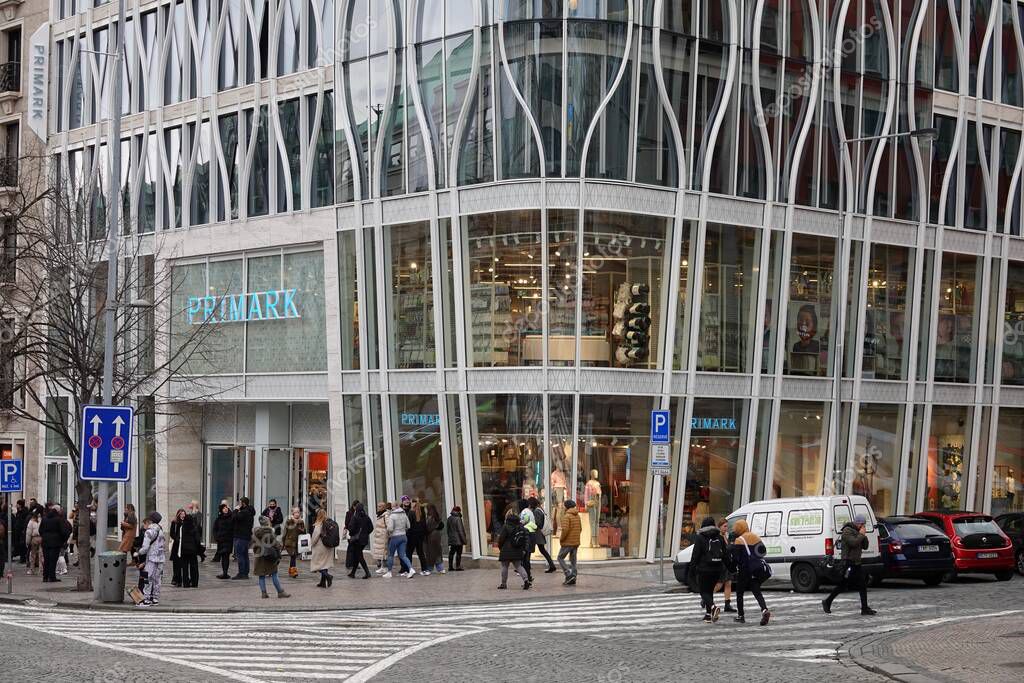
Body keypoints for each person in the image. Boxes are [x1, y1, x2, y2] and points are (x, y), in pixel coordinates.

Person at [822, 515, 876, 616]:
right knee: (843, 585)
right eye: (862, 524)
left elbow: (865, 546)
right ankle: (827, 601)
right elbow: (853, 543)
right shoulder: (847, 531)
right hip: (848, 563)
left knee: (862, 585)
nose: (862, 526)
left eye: (864, 525)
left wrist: (864, 536)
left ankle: (864, 608)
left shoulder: (859, 532)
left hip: (857, 563)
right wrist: (861, 535)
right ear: (857, 523)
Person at [689, 516, 733, 623]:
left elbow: (695, 555)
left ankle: (713, 607)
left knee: (703, 591)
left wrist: (691, 569)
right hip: (717, 569)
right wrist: (731, 568)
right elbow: (726, 555)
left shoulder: (700, 538)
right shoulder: (720, 537)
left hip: (704, 569)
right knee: (709, 591)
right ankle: (708, 615)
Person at [730, 519, 772, 626]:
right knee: (756, 591)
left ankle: (741, 616)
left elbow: (736, 558)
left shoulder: (739, 540)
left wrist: (732, 568)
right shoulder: (755, 537)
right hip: (756, 570)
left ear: (739, 528)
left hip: (744, 570)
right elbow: (763, 552)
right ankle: (764, 609)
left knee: (739, 593)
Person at [252, 516, 290, 599]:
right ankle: (280, 592)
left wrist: (257, 552)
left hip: (259, 556)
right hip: (270, 556)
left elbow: (253, 545)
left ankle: (264, 593)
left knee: (261, 575)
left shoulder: (256, 533)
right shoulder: (269, 532)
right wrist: (279, 550)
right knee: (274, 573)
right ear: (268, 523)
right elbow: (275, 544)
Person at [496, 511, 531, 590]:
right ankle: (526, 580)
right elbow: (524, 539)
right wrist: (524, 549)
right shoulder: (520, 527)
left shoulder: (506, 526)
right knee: (519, 566)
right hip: (517, 549)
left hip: (506, 549)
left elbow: (501, 538)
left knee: (504, 566)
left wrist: (500, 547)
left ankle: (503, 584)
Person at [137, 512, 166, 607]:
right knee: (157, 579)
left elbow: (145, 548)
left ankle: (146, 599)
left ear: (151, 520)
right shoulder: (161, 530)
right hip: (161, 558)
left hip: (151, 558)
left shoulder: (149, 531)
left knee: (147, 577)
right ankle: (155, 598)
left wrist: (138, 552)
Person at [384, 499, 413, 578]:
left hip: (395, 537)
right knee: (403, 555)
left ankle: (389, 572)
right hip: (403, 536)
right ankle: (411, 569)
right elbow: (408, 526)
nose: (391, 508)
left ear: (395, 506)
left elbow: (390, 528)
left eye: (392, 506)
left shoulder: (392, 516)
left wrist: (389, 530)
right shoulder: (404, 514)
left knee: (390, 555)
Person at [529, 497, 557, 573]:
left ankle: (526, 566)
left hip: (537, 534)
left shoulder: (536, 511)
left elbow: (537, 523)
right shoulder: (540, 510)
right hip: (538, 534)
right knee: (542, 550)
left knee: (529, 550)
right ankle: (552, 566)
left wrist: (530, 524)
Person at [345, 503, 373, 579]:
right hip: (364, 540)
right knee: (357, 555)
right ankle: (353, 573)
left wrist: (352, 534)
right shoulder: (366, 517)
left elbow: (351, 528)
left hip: (356, 540)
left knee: (359, 556)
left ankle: (367, 572)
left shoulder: (355, 517)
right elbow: (371, 528)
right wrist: (365, 533)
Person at [39, 507, 67, 583]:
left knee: (46, 559)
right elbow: (63, 531)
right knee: (53, 560)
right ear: (57, 511)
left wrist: (44, 536)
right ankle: (52, 577)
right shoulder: (58, 519)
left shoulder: (44, 519)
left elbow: (40, 530)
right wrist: (63, 540)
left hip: (45, 542)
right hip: (55, 542)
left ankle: (45, 577)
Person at [558, 499, 582, 585]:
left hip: (568, 542)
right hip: (576, 542)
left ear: (566, 507)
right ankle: (573, 576)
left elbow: (565, 530)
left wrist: (561, 539)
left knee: (560, 557)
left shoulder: (567, 516)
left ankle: (568, 574)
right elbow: (580, 529)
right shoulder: (577, 516)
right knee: (573, 560)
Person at [231, 497, 256, 579]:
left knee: (240, 555)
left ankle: (241, 573)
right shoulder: (249, 511)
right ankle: (245, 573)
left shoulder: (244, 512)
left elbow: (234, 517)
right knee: (245, 555)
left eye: (240, 502)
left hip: (241, 536)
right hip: (246, 536)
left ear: (243, 503)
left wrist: (235, 510)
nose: (239, 504)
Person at [310, 508, 336, 587]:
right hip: (328, 547)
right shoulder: (329, 522)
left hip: (320, 547)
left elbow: (315, 537)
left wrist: (311, 544)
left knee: (317, 565)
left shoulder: (319, 524)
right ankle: (323, 582)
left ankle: (328, 576)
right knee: (325, 564)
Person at [715, 519, 735, 613]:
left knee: (728, 583)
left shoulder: (726, 536)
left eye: (727, 526)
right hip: (722, 563)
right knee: (719, 584)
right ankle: (706, 598)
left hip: (728, 562)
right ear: (719, 527)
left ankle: (727, 604)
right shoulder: (718, 537)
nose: (726, 528)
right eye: (724, 526)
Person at [405, 499, 429, 574]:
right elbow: (425, 525)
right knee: (421, 553)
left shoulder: (411, 513)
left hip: (412, 536)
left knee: (409, 553)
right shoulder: (422, 513)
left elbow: (409, 525)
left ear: (413, 504)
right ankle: (424, 569)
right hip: (420, 536)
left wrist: (407, 534)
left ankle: (409, 569)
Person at [282, 506, 306, 578]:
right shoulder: (289, 521)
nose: (297, 514)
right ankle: (293, 572)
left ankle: (291, 571)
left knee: (294, 556)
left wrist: (300, 527)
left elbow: (304, 532)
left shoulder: (301, 522)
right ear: (292, 513)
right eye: (295, 512)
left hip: (297, 542)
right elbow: (285, 532)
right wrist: (283, 543)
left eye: (298, 512)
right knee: (293, 556)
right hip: (290, 542)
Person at [212, 503, 234, 579]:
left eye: (226, 507)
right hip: (221, 541)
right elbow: (215, 529)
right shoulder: (218, 519)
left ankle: (225, 573)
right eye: (224, 508)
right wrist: (216, 537)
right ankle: (224, 572)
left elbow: (234, 528)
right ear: (221, 510)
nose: (225, 509)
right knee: (223, 556)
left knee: (226, 556)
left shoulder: (231, 517)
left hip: (228, 540)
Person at [517, 499, 537, 581]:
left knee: (525, 558)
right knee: (527, 557)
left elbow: (523, 521)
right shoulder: (531, 512)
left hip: (527, 534)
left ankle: (528, 577)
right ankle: (528, 576)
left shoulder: (524, 511)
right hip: (532, 534)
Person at [423, 504, 445, 575]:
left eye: (426, 509)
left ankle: (429, 569)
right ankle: (441, 568)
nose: (425, 510)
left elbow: (428, 528)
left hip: (431, 537)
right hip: (437, 536)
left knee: (431, 553)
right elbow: (441, 525)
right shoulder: (436, 516)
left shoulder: (430, 518)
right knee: (437, 552)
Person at [446, 506, 467, 571]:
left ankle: (450, 567)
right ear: (458, 511)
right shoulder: (458, 519)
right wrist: (464, 540)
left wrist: (450, 537)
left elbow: (448, 530)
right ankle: (458, 566)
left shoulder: (449, 518)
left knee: (451, 553)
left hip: (452, 539)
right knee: (458, 553)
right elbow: (460, 530)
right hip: (458, 540)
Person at [372, 502, 390, 574]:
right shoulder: (379, 515)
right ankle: (382, 567)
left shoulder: (386, 515)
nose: (378, 508)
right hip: (379, 536)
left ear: (383, 507)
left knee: (384, 552)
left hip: (383, 536)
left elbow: (388, 526)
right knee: (381, 552)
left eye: (380, 506)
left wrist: (385, 533)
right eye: (378, 506)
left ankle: (385, 567)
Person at [25, 510, 41, 575]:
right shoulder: (42, 520)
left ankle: (32, 569)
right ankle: (41, 569)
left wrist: (27, 542)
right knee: (41, 555)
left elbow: (28, 533)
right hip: (41, 538)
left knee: (32, 555)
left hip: (34, 538)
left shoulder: (31, 521)